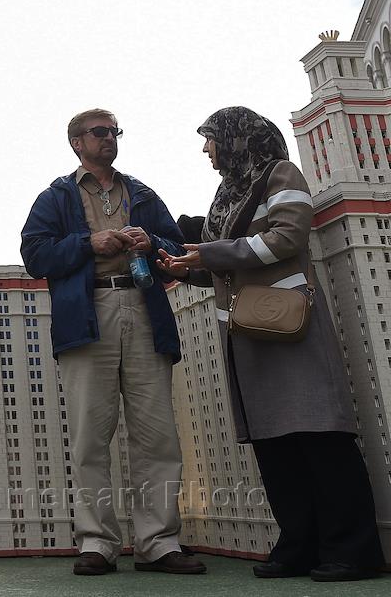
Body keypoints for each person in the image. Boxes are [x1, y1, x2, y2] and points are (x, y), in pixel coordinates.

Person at [157, 106, 385, 582]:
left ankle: (353, 549)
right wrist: (186, 268)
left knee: (320, 436)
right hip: (247, 336)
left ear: (237, 138)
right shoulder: (228, 195)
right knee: (275, 446)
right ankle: (299, 545)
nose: (206, 149)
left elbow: (286, 236)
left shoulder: (281, 173)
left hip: (289, 328)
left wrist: (211, 251)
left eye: (211, 139)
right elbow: (228, 266)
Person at [21, 108, 206, 575]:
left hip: (144, 307)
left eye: (114, 131)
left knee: (157, 431)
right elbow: (35, 254)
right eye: (99, 132)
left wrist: (150, 241)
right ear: (76, 143)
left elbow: (175, 247)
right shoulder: (55, 196)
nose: (109, 138)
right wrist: (88, 244)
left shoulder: (141, 192)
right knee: (89, 435)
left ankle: (159, 542)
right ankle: (97, 542)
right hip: (89, 313)